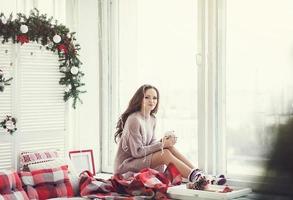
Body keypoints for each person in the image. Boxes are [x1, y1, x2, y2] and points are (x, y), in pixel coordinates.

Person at [113, 84, 202, 182]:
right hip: (126, 166)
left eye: (155, 98)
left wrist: (164, 141)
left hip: (140, 159)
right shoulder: (134, 119)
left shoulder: (152, 119)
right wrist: (162, 144)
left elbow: (151, 143)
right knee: (164, 154)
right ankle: (196, 178)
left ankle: (198, 173)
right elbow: (137, 152)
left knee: (168, 148)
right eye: (147, 97)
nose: (152, 101)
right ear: (140, 99)